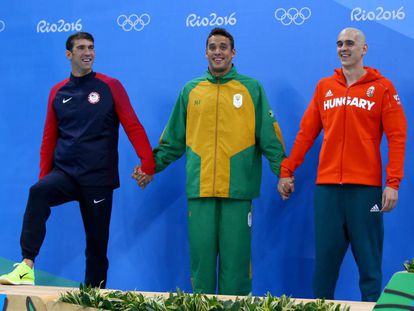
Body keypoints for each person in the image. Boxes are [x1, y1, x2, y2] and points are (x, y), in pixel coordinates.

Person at [134, 27, 287, 295]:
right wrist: (151, 168)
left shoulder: (252, 89)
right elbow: (172, 141)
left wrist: (284, 172)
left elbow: (270, 139)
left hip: (238, 192)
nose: (218, 52)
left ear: (233, 52)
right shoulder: (191, 90)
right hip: (200, 189)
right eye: (213, 47)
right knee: (201, 265)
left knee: (237, 268)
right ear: (205, 52)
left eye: (223, 47)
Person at [0, 32, 155, 288]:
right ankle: (26, 266)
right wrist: (45, 177)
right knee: (38, 192)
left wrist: (148, 165)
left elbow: (133, 126)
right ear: (69, 54)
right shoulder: (57, 92)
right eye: (81, 48)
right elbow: (49, 138)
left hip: (98, 178)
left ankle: (94, 296)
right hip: (66, 174)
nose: (88, 52)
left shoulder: (110, 86)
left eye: (91, 47)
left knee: (96, 246)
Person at [278, 27, 407, 301]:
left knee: (370, 267)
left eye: (350, 43)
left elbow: (397, 137)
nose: (343, 48)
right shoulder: (325, 87)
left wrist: (392, 182)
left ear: (364, 49)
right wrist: (287, 169)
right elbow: (306, 133)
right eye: (339, 43)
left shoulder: (382, 87)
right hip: (327, 191)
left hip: (365, 190)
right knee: (323, 267)